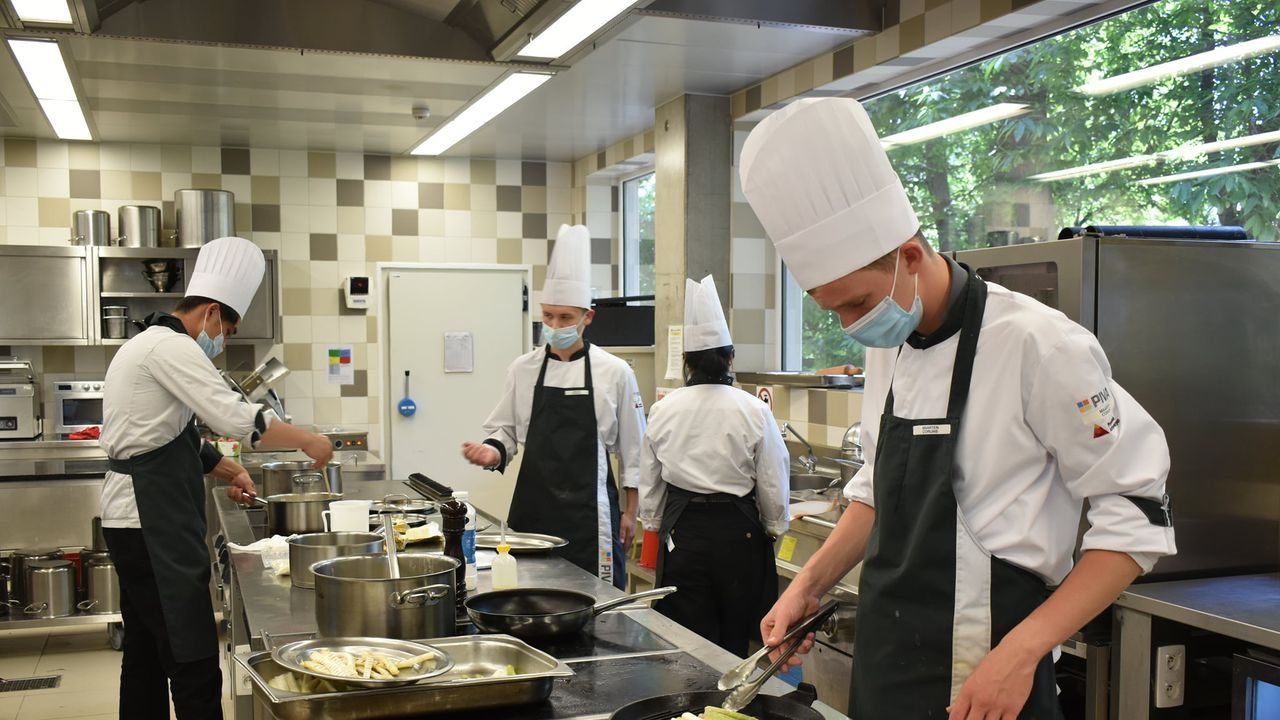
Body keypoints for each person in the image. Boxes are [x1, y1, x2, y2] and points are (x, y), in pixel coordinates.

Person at [739, 98, 1177, 719]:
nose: (851, 326)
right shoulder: (891, 340)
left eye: (858, 302)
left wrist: (1023, 651)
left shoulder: (1040, 345)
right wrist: (809, 585)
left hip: (993, 681)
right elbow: (877, 489)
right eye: (833, 310)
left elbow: (1138, 515)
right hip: (890, 668)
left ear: (910, 257)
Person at [100, 236, 334, 720]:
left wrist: (233, 469)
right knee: (191, 654)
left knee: (145, 652)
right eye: (226, 328)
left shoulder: (149, 344)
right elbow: (233, 416)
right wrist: (307, 439)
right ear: (208, 313)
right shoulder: (170, 347)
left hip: (136, 519)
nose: (222, 340)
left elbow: (182, 437)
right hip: (151, 521)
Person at [461, 224, 646, 590]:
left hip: (591, 517)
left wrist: (630, 512)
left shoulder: (615, 373)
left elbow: (635, 451)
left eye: (565, 318)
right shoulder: (523, 368)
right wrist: (491, 452)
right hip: (533, 511)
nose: (555, 326)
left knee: (597, 601)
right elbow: (508, 432)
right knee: (530, 594)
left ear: (587, 317)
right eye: (548, 317)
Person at [637, 274, 789, 656]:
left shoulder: (664, 408)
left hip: (683, 534)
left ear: (687, 362)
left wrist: (652, 523)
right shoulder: (754, 409)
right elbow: (773, 476)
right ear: (731, 357)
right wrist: (774, 526)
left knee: (687, 639)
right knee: (736, 638)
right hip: (739, 537)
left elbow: (650, 478)